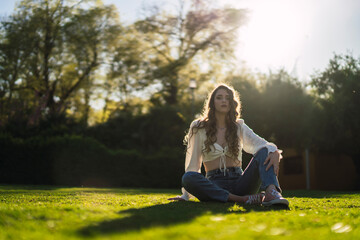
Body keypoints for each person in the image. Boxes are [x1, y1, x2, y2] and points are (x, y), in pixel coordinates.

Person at [169, 84, 289, 206]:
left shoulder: (239, 126)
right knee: (188, 177)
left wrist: (274, 152)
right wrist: (186, 195)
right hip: (215, 185)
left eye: (227, 98)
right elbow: (193, 163)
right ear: (212, 102)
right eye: (219, 97)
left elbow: (262, 145)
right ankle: (242, 200)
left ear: (232, 103)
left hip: (241, 183)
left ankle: (271, 193)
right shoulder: (199, 127)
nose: (224, 101)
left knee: (265, 151)